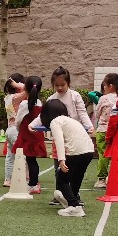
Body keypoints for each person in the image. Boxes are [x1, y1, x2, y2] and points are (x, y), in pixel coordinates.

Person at [36, 97, 96, 217]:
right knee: (76, 177)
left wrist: (61, 160)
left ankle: (74, 206)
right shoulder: (70, 120)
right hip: (89, 150)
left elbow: (58, 140)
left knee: (62, 179)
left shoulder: (55, 122)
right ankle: (72, 201)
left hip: (75, 151)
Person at [48, 67, 95, 206]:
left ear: (68, 83)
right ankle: (59, 193)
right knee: (59, 167)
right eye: (56, 85)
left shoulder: (75, 96)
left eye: (63, 84)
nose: (60, 88)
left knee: (74, 169)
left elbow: (82, 113)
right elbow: (44, 116)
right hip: (59, 136)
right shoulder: (51, 99)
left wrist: (89, 126)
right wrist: (33, 125)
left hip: (74, 138)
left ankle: (74, 194)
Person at [11, 76, 47, 194]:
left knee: (30, 160)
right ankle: (33, 182)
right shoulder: (40, 103)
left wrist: (19, 130)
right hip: (36, 134)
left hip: (26, 134)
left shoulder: (24, 104)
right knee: (32, 160)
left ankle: (33, 184)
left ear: (25, 88)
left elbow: (18, 120)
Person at [92, 74, 118, 189]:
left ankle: (101, 179)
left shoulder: (103, 98)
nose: (103, 88)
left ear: (110, 86)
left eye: (104, 85)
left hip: (103, 130)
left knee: (103, 155)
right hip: (117, 130)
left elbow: (97, 114)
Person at [2, 73, 26, 187]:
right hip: (16, 130)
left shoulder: (7, 97)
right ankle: (21, 179)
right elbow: (30, 89)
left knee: (10, 157)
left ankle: (8, 180)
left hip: (9, 130)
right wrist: (16, 84)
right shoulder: (16, 97)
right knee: (22, 155)